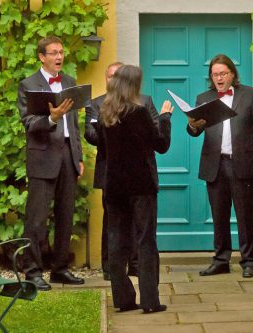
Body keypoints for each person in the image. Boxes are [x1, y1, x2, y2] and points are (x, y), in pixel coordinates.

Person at [187, 54, 253, 278]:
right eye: (215, 74)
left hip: (242, 162)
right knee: (219, 215)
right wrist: (193, 126)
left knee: (244, 214)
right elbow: (194, 132)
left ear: (232, 74)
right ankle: (221, 260)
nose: (219, 78)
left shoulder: (250, 94)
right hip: (214, 164)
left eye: (223, 73)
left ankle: (249, 261)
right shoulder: (203, 98)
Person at [99, 65, 172, 313]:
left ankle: (123, 299)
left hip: (114, 185)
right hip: (141, 184)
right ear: (133, 85)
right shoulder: (139, 112)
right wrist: (165, 117)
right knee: (145, 241)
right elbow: (161, 145)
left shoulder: (105, 113)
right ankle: (150, 301)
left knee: (117, 242)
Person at [18, 36, 85, 291]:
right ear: (41, 57)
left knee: (65, 216)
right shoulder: (28, 85)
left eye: (61, 52)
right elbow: (28, 123)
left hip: (67, 156)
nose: (59, 57)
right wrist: (51, 119)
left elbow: (75, 125)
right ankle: (32, 272)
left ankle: (60, 269)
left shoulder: (69, 82)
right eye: (54, 52)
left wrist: (77, 156)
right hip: (42, 156)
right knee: (36, 219)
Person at [85, 61, 159, 280]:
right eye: (110, 76)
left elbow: (153, 132)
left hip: (140, 172)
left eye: (118, 76)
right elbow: (91, 134)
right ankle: (110, 268)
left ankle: (136, 265)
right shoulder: (97, 104)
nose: (114, 80)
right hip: (110, 172)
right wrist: (115, 134)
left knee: (141, 224)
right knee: (114, 224)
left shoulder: (144, 102)